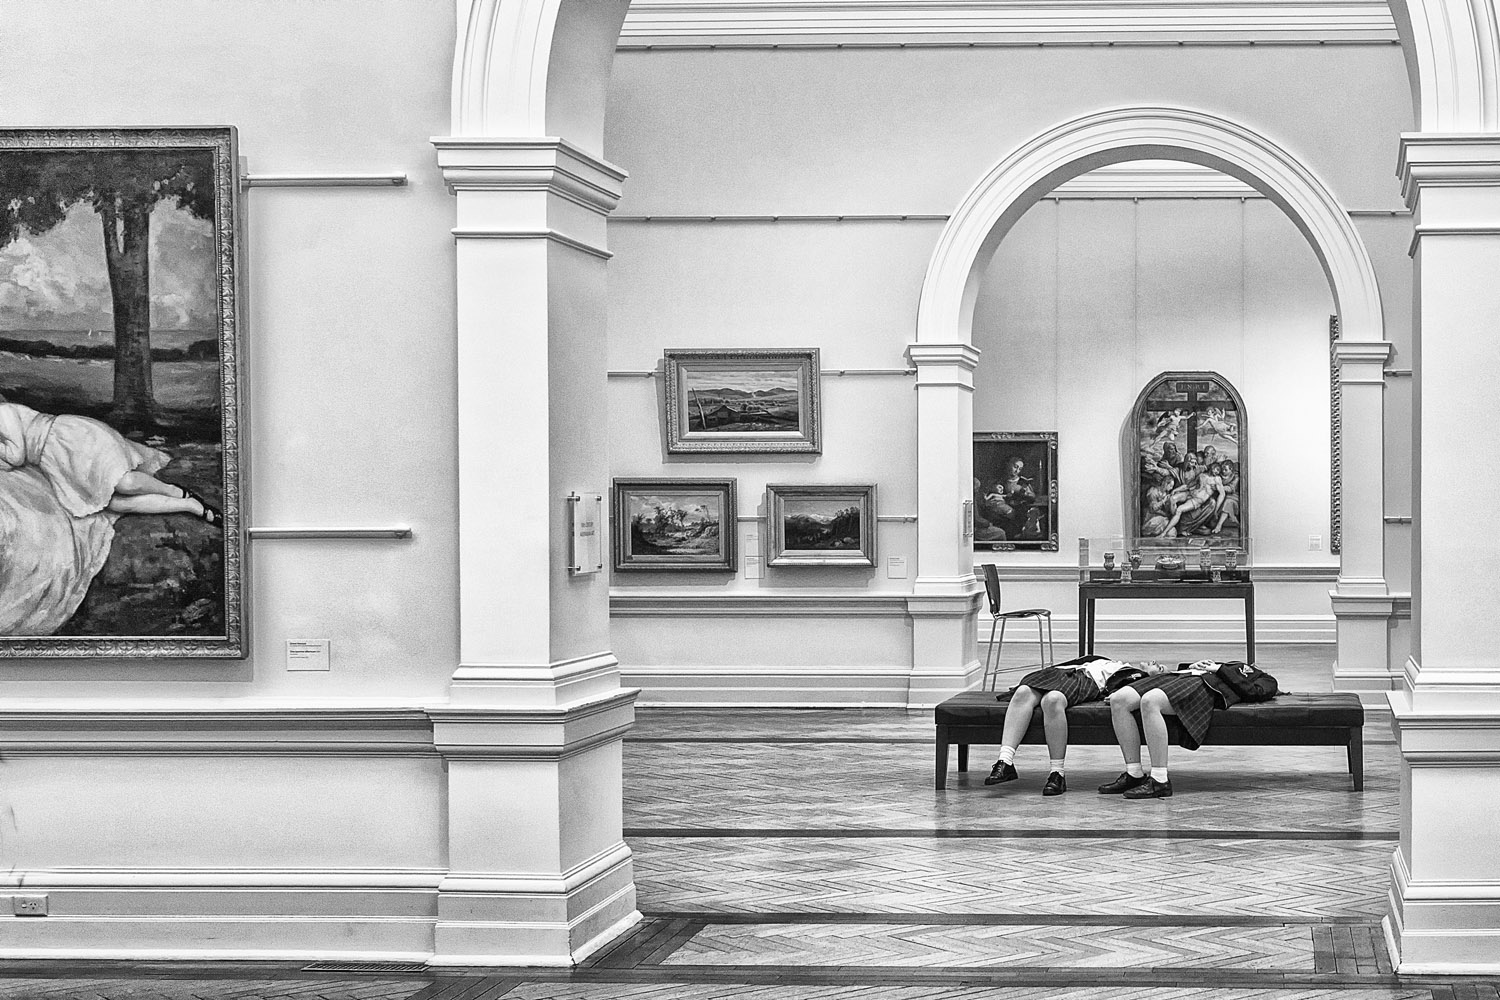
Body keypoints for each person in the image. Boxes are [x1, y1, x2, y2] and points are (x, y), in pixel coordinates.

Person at [0, 397, 221, 525]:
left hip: (68, 438)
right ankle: (189, 506)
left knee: (126, 483)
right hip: (55, 459)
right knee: (113, 504)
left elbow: (16, 457)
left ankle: (176, 491)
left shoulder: (3, 412)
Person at [985, 655, 1165, 795]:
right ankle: (1005, 761)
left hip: (1085, 680)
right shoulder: (1116, 664)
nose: (1156, 662)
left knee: (1052, 700)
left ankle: (1057, 774)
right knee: (1023, 692)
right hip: (1061, 672)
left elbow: (1125, 694)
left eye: (1160, 668)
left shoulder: (1139, 678)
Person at [1098, 659, 1238, 799]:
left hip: (1203, 681)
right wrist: (1193, 666)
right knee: (1118, 700)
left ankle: (1160, 780)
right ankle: (1134, 774)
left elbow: (1249, 684)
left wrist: (1218, 668)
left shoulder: (1231, 669)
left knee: (1150, 701)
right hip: (1176, 675)